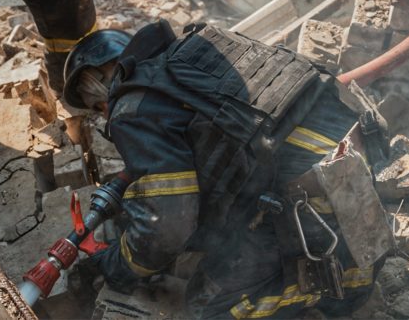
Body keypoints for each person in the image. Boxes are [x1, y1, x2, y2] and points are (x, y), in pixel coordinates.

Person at [61, 21, 385, 318]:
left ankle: (341, 280)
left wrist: (118, 265)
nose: (105, 114)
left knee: (208, 309)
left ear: (99, 91)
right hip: (356, 161)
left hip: (315, 210)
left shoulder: (131, 107)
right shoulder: (191, 55)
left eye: (97, 107)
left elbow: (168, 227)